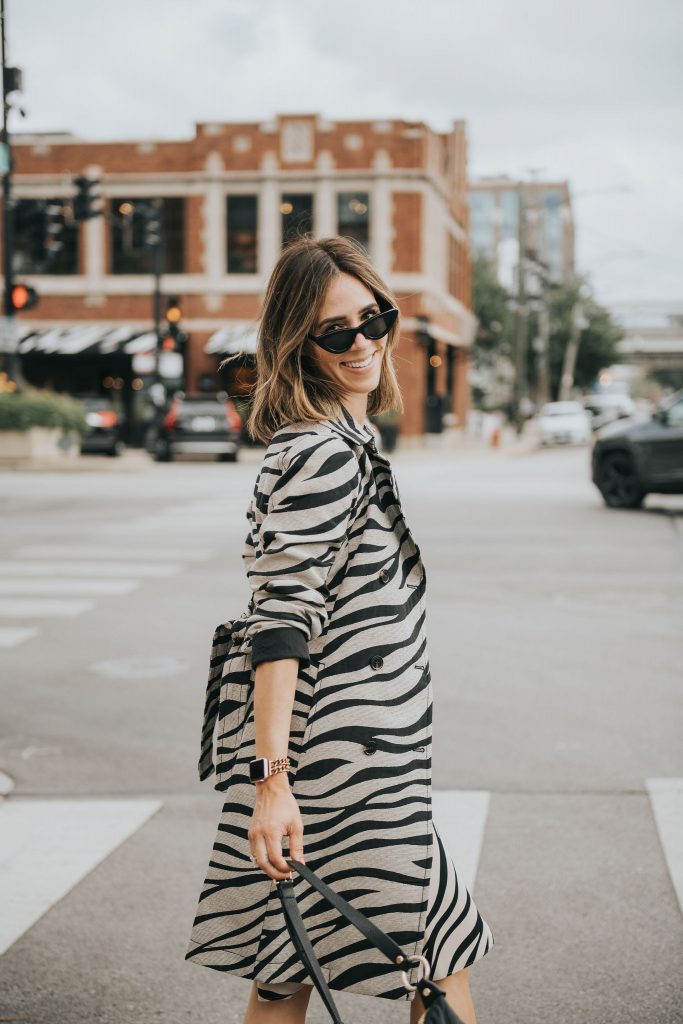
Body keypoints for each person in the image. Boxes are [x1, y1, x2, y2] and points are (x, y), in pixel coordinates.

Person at [185, 236, 494, 1024]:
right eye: (335, 332)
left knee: (288, 967)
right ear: (297, 343)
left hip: (362, 763)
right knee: (438, 950)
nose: (363, 343)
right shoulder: (322, 453)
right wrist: (272, 782)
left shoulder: (348, 443)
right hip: (344, 773)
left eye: (374, 319)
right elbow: (280, 622)